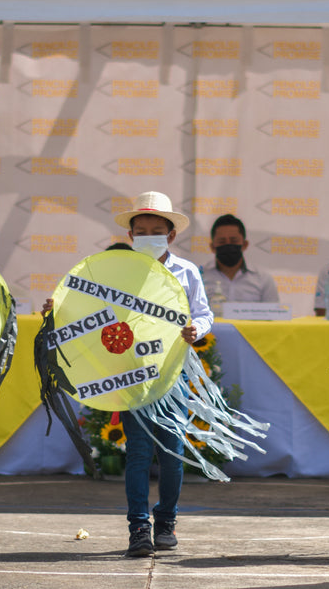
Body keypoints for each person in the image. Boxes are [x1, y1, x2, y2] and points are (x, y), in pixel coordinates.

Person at [40, 192, 213, 557]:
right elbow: (86, 307)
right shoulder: (115, 269)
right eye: (141, 230)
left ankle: (166, 518)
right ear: (131, 235)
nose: (148, 235)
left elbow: (203, 313)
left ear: (171, 234)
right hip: (130, 373)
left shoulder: (187, 272)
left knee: (172, 451)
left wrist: (196, 328)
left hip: (171, 373)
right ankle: (139, 527)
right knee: (137, 452)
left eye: (156, 230)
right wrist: (57, 310)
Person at [201, 213, 279, 314]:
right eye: (222, 242)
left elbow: (274, 317)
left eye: (234, 241)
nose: (228, 245)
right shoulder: (199, 277)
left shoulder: (263, 279)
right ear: (212, 247)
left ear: (245, 245)